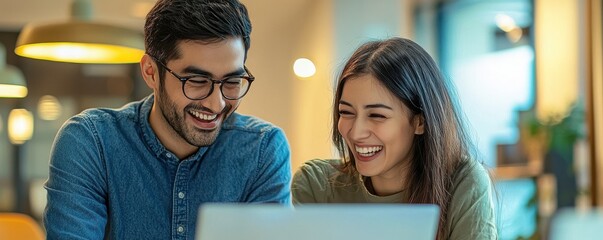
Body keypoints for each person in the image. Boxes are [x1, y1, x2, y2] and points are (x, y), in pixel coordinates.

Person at [44, 0, 291, 239]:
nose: (217, 104)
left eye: (232, 82)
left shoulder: (262, 149)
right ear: (150, 72)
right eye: (196, 81)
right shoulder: (91, 142)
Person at [291, 37, 497, 239]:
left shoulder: (463, 183)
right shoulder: (316, 185)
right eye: (346, 112)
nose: (355, 132)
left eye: (377, 115)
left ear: (420, 122)